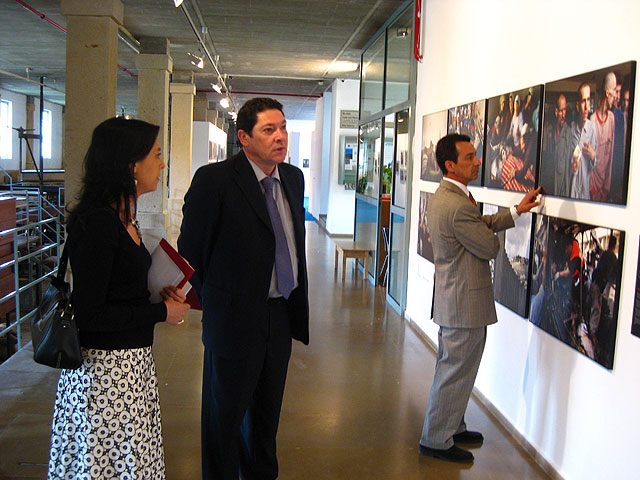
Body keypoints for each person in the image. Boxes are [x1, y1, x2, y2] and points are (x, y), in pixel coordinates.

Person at [48, 117, 190, 479]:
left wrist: (156, 293)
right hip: (105, 378)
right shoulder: (99, 223)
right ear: (130, 165)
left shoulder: (124, 216)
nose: (161, 163)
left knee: (129, 464)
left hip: (129, 369)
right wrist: (160, 312)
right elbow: (92, 315)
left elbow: (117, 288)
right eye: (156, 155)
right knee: (107, 466)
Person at [178, 97, 309, 480]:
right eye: (269, 130)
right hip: (234, 322)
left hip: (280, 315)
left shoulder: (292, 179)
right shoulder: (215, 180)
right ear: (244, 138)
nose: (280, 137)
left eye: (283, 128)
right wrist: (220, 304)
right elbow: (191, 254)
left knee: (267, 421)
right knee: (224, 422)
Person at [418, 133, 541, 463]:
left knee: (456, 369)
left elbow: (478, 225)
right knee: (454, 371)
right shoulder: (458, 205)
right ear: (451, 165)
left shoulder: (449, 197)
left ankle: (452, 426)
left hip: (455, 300)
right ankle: (436, 439)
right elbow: (488, 246)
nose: (478, 162)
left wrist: (515, 211)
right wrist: (490, 233)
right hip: (462, 304)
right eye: (470, 157)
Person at [589, 72, 616, 202]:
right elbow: (589, 161)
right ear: (607, 93)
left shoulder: (611, 119)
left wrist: (606, 187)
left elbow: (610, 157)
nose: (615, 96)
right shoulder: (592, 120)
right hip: (593, 187)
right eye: (614, 91)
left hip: (604, 188)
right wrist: (592, 187)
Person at [569, 82, 598, 200]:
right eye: (583, 101)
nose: (586, 107)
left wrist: (593, 156)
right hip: (571, 191)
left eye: (588, 100)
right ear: (577, 105)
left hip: (584, 193)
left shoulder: (592, 130)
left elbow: (593, 166)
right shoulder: (571, 129)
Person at [542, 94, 573, 196]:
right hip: (550, 186)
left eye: (564, 110)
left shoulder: (568, 133)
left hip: (562, 190)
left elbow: (568, 166)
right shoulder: (549, 131)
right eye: (560, 111)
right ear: (556, 112)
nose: (563, 115)